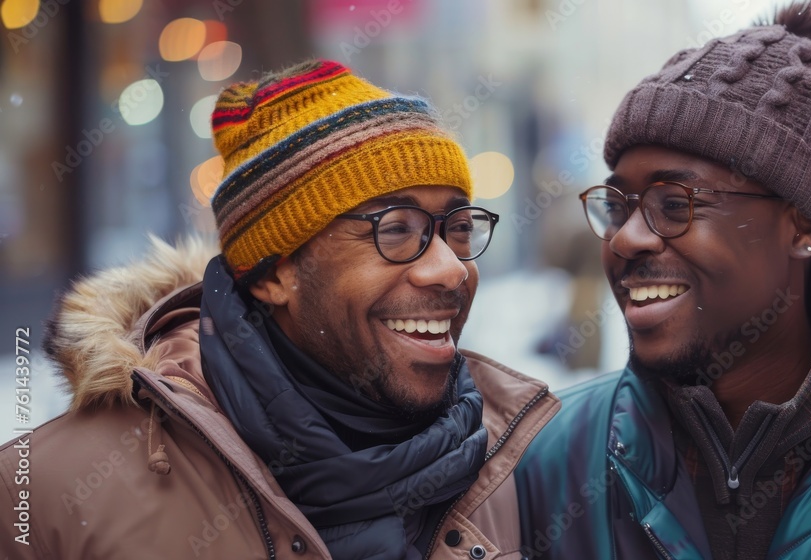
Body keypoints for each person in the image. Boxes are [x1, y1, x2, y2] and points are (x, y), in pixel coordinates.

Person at [0, 60, 559, 560]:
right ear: (272, 275)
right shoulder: (44, 496)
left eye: (457, 228)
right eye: (396, 229)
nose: (450, 268)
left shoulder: (538, 462)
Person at [514, 2, 811, 559]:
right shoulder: (543, 463)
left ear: (803, 227)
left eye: (674, 203)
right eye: (618, 206)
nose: (625, 240)